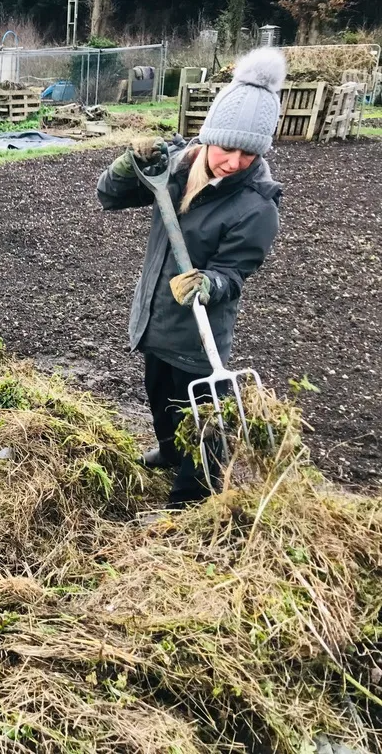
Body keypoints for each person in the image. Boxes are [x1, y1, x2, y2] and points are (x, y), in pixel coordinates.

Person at [96, 47, 286, 507]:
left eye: (249, 152)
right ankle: (167, 448)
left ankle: (190, 501)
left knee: (203, 420)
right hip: (155, 314)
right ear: (208, 136)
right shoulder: (176, 164)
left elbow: (234, 273)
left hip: (201, 336)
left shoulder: (257, 204)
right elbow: (109, 197)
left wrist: (209, 284)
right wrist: (126, 168)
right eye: (227, 147)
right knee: (160, 396)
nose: (235, 161)